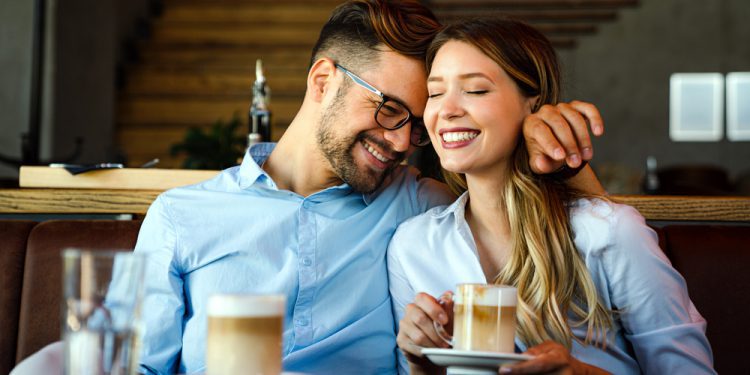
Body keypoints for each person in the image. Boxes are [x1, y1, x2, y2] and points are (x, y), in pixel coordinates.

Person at [133, 1, 607, 374]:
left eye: (416, 125)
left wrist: (548, 145)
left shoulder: (419, 209)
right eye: (388, 109)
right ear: (323, 81)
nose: (402, 141)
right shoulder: (181, 217)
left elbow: (567, 234)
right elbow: (134, 366)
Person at [388, 18, 715, 375]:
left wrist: (582, 373)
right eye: (435, 93)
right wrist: (420, 363)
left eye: (476, 90)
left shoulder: (608, 232)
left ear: (535, 104)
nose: (446, 110)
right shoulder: (413, 247)